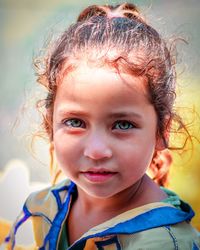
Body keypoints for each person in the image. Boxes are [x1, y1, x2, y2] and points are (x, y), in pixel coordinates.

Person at [5, 3, 200, 249]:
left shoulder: (165, 243)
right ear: (50, 125)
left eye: (123, 124)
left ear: (162, 130)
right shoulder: (41, 210)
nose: (96, 151)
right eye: (75, 122)